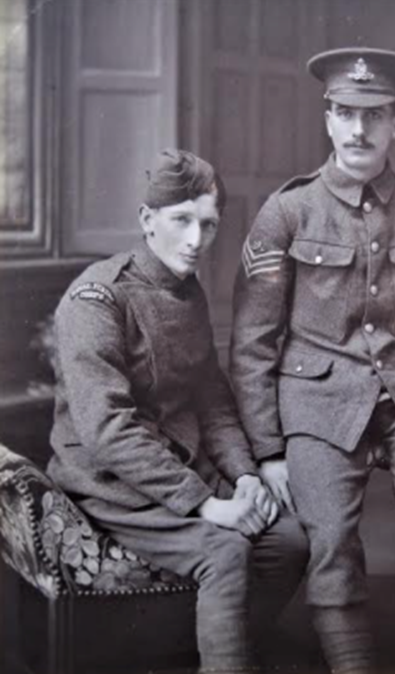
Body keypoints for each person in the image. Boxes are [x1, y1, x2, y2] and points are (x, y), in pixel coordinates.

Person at [230, 48, 395, 674]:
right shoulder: (287, 213)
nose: (358, 129)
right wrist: (268, 450)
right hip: (316, 408)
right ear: (327, 119)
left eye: (374, 114)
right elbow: (252, 344)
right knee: (331, 547)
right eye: (345, 112)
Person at [47, 149, 308, 673]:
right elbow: (108, 430)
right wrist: (206, 505)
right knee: (226, 549)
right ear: (148, 220)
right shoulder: (97, 298)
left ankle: (210, 645)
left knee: (289, 541)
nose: (196, 241)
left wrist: (246, 476)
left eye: (208, 225)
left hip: (177, 467)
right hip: (110, 484)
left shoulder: (187, 294)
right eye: (181, 221)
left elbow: (211, 402)